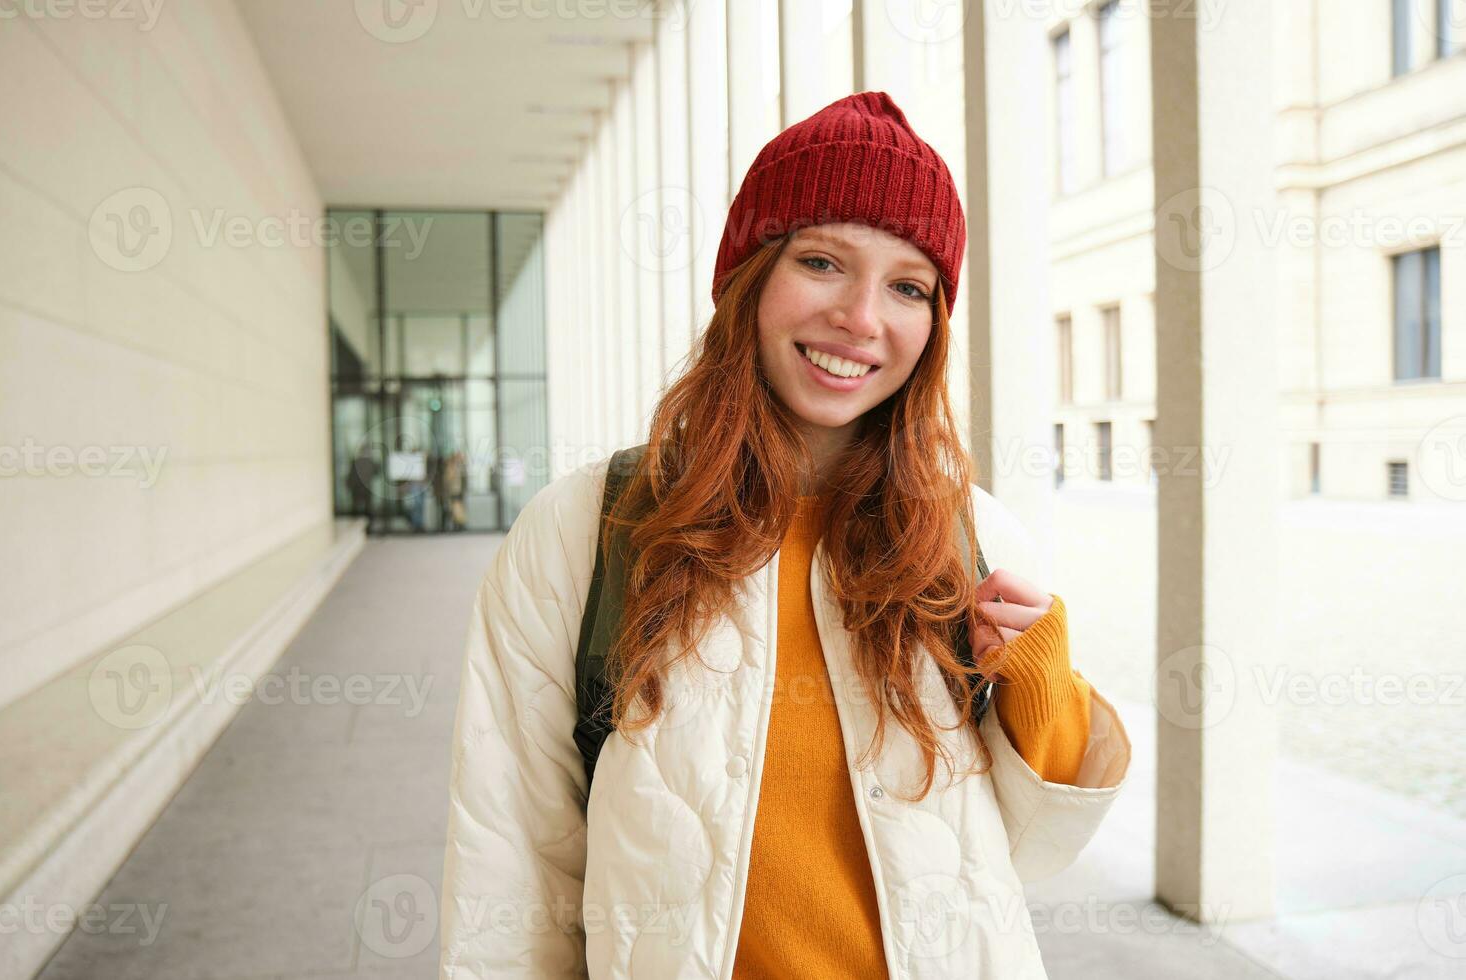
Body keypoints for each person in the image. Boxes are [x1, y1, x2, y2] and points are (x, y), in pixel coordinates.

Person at [439, 91, 1131, 979]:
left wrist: (1041, 686)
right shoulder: (589, 530)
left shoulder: (970, 537)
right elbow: (512, 861)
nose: (862, 317)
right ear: (750, 277)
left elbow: (1026, 855)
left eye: (908, 286)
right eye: (822, 261)